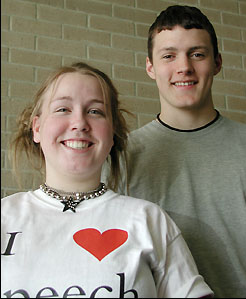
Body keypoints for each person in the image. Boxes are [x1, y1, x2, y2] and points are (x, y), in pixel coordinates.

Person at [1, 62, 213, 298]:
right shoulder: (5, 216)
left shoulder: (149, 221)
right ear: (37, 128)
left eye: (95, 111)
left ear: (112, 133)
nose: (79, 123)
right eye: (62, 109)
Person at [102, 5, 246, 298]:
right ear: (150, 67)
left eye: (197, 54)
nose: (184, 67)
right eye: (169, 56)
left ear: (217, 63)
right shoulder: (120, 158)